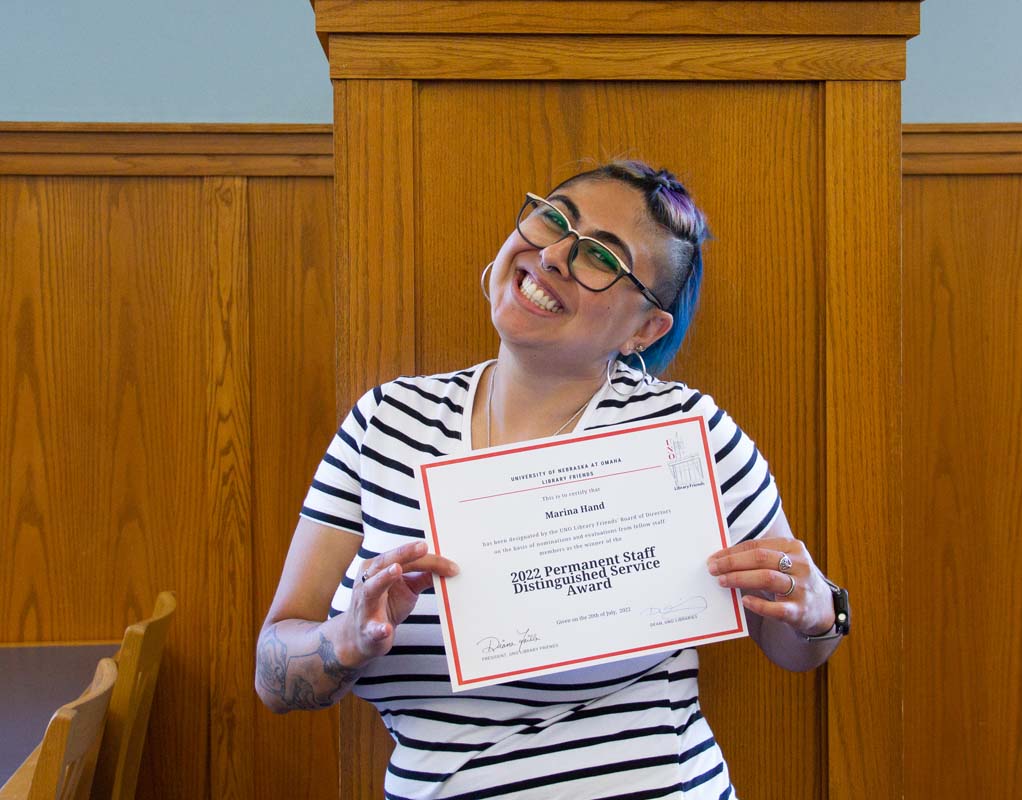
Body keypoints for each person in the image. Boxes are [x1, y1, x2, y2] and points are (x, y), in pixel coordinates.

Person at [255, 160, 847, 799]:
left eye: (600, 256)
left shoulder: (684, 431)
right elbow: (273, 674)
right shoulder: (386, 420)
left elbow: (794, 645)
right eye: (554, 218)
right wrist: (346, 640)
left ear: (644, 329)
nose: (556, 254)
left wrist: (818, 611)